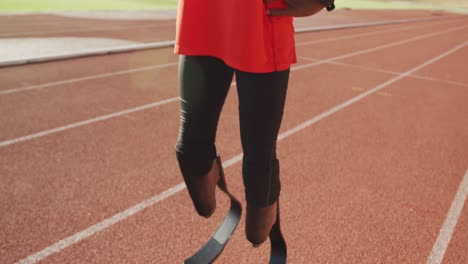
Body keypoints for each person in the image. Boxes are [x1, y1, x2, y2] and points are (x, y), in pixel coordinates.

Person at [174, 0, 335, 246]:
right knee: (190, 151)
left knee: (259, 167)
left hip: (261, 15)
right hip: (202, 11)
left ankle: (265, 223)